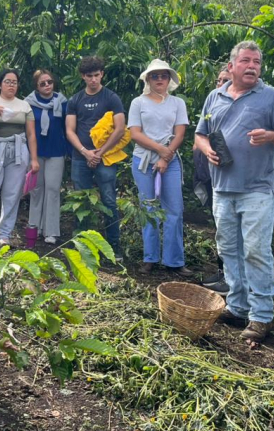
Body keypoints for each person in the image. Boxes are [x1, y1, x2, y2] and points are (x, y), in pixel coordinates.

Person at [194, 40, 274, 342]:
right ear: (231, 66)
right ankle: (237, 306)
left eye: (256, 62)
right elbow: (200, 135)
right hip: (222, 187)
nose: (252, 66)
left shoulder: (271, 98)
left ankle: (262, 316)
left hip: (257, 188)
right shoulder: (214, 97)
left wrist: (270, 136)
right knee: (228, 249)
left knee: (255, 250)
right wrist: (207, 151)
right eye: (246, 61)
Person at [127, 59, 191, 275]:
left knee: (174, 210)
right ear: (148, 79)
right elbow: (135, 133)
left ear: (169, 79)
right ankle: (150, 258)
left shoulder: (177, 103)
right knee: (149, 209)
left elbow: (180, 133)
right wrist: (159, 151)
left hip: (170, 161)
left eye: (163, 75)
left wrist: (166, 155)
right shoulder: (138, 103)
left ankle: (174, 261)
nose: (160, 79)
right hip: (143, 161)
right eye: (155, 76)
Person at [65, 56, 126, 252]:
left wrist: (100, 152)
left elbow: (120, 128)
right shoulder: (75, 100)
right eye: (89, 76)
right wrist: (85, 152)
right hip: (80, 157)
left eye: (97, 75)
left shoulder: (111, 98)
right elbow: (69, 130)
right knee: (81, 201)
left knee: (109, 201)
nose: (93, 79)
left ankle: (114, 247)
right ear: (83, 76)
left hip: (106, 157)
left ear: (102, 74)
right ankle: (82, 246)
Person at [0, 68, 40, 245]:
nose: (11, 85)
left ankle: (4, 233)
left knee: (12, 194)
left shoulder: (24, 106)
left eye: (14, 82)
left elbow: (31, 134)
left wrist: (34, 159)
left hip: (18, 150)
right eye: (7, 81)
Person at [191, 67, 232, 294]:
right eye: (218, 80)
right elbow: (198, 138)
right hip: (210, 178)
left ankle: (230, 277)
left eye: (225, 80)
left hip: (230, 180)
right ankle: (223, 273)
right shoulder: (212, 104)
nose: (220, 84)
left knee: (230, 229)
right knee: (219, 227)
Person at [24, 69, 67, 245]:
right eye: (42, 83)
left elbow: (68, 127)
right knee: (36, 190)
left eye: (49, 82)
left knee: (53, 189)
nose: (47, 85)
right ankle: (34, 226)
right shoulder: (28, 103)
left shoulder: (63, 102)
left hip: (56, 151)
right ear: (36, 86)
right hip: (35, 152)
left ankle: (51, 231)